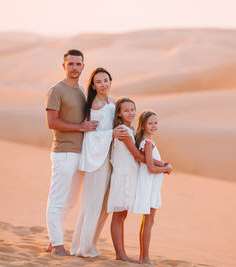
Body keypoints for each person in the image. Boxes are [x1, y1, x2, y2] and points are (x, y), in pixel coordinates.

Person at [45, 49, 98, 256]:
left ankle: (53, 239)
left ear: (83, 67)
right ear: (64, 65)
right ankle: (58, 245)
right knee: (57, 199)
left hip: (79, 153)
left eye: (78, 64)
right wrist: (80, 128)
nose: (74, 67)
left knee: (69, 202)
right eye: (71, 64)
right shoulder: (56, 90)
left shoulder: (80, 92)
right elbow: (52, 122)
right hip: (63, 152)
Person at [70, 67, 128, 258]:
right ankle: (83, 248)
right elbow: (91, 136)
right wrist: (111, 134)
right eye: (99, 82)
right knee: (92, 204)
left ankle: (91, 244)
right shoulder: (94, 104)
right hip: (97, 160)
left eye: (106, 80)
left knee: (104, 206)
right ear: (93, 86)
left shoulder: (112, 101)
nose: (103, 84)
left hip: (110, 158)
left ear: (111, 82)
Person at [107, 98, 168, 263]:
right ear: (119, 113)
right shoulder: (124, 131)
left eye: (132, 109)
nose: (130, 113)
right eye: (126, 110)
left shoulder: (130, 130)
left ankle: (122, 253)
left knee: (122, 214)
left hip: (129, 175)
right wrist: (162, 165)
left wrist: (159, 164)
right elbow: (137, 156)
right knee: (118, 215)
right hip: (123, 176)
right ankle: (120, 254)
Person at [133, 110, 173, 265]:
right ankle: (145, 258)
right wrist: (166, 169)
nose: (154, 126)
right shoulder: (147, 143)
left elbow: (150, 162)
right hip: (149, 186)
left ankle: (143, 256)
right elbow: (150, 168)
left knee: (147, 222)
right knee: (148, 222)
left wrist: (163, 164)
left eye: (156, 123)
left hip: (150, 186)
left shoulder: (146, 141)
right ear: (143, 125)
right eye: (150, 123)